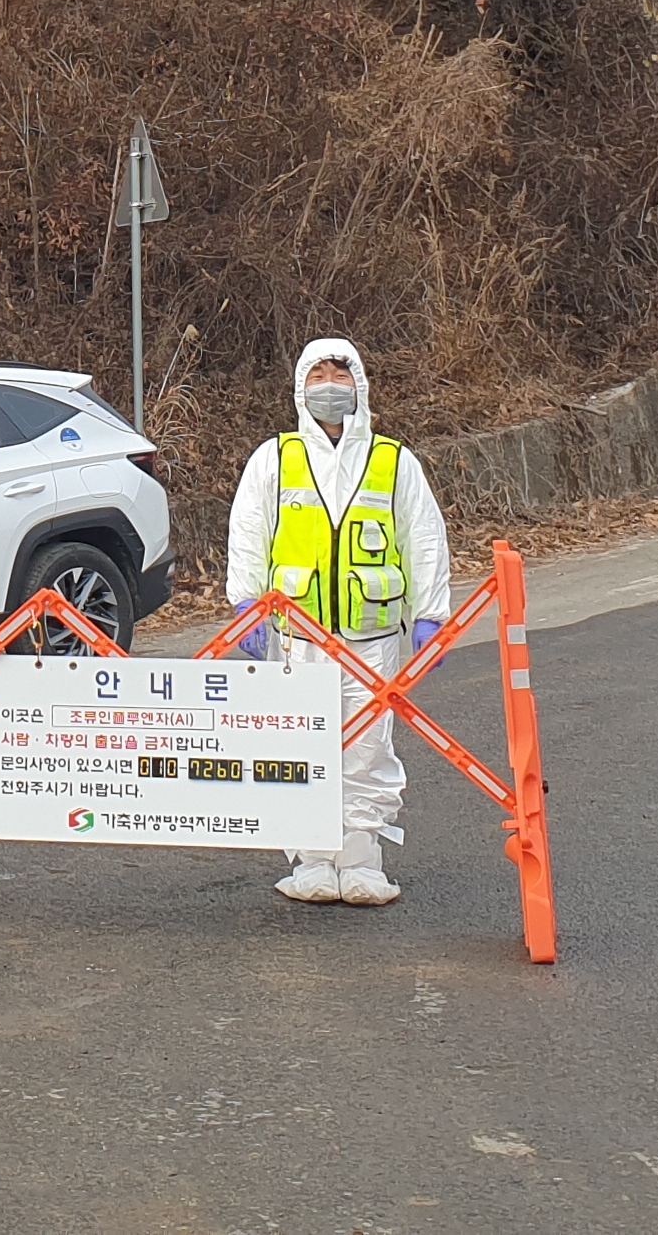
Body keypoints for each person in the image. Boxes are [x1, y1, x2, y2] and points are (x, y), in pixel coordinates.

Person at [218, 336, 448, 906]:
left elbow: (424, 538)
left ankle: (362, 859)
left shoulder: (395, 461)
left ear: (360, 386)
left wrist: (432, 616)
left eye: (339, 374)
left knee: (367, 744)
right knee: (301, 743)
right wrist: (245, 603)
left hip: (371, 636)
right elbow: (249, 533)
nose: (329, 385)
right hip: (298, 637)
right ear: (300, 388)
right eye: (317, 374)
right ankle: (313, 861)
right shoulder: (274, 458)